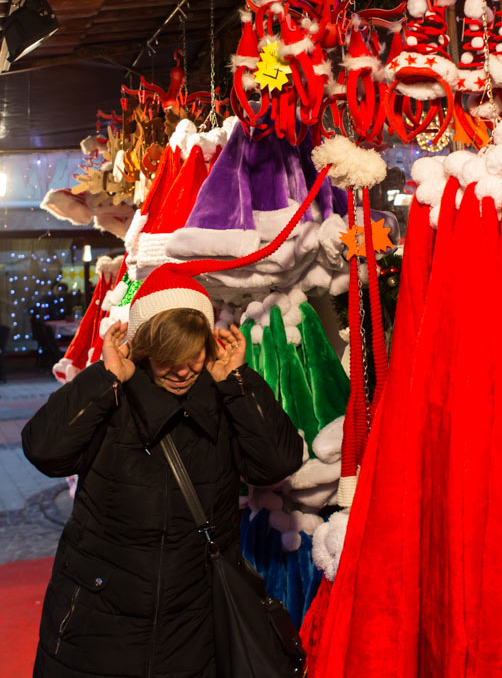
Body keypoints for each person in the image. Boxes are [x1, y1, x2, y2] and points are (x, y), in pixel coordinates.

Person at [22, 281, 302, 677]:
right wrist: (104, 377)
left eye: (193, 355)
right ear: (145, 349)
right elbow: (44, 450)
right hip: (97, 621)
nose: (183, 371)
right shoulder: (113, 394)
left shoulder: (223, 397)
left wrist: (237, 382)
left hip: (195, 623)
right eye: (169, 359)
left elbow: (276, 463)